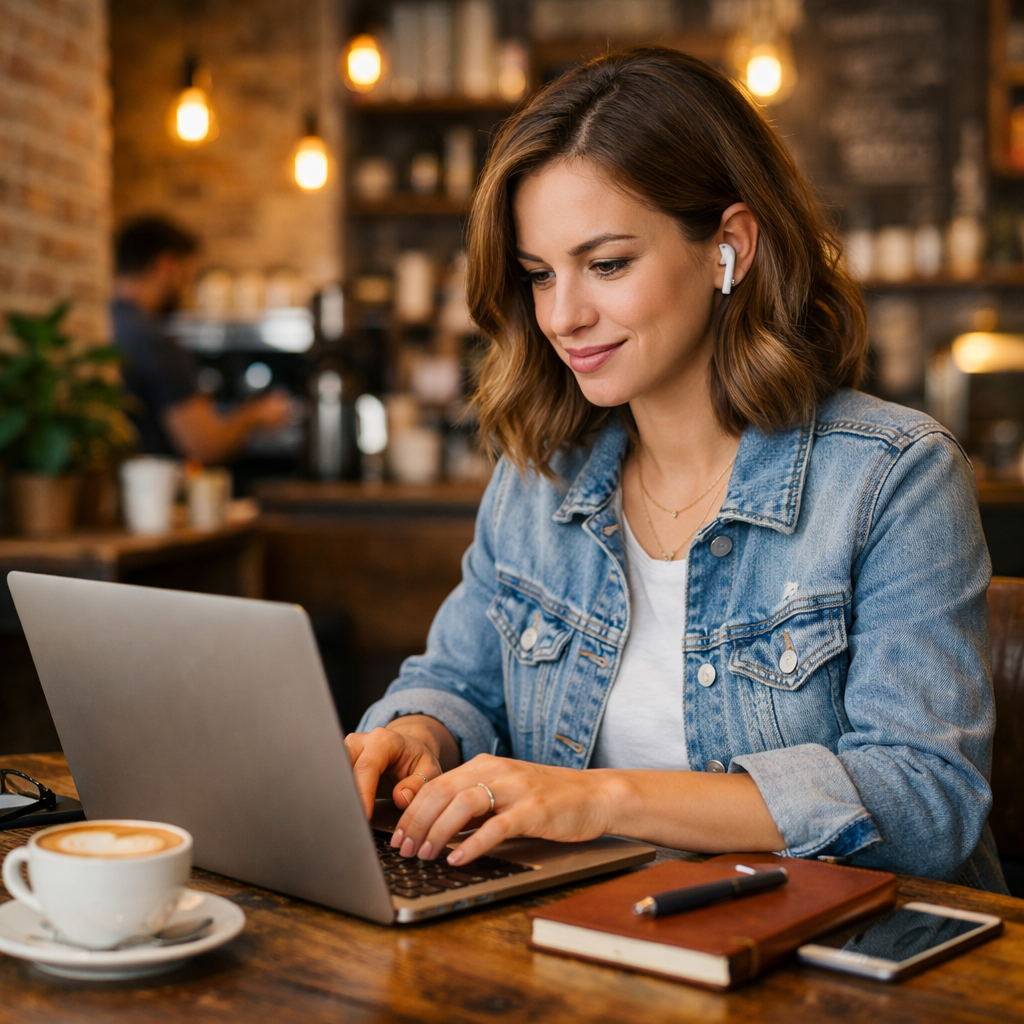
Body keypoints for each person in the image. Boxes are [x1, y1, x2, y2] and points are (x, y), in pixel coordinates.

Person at [346, 48, 1006, 892]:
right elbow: (459, 681)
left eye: (608, 264)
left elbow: (924, 804)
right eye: (539, 276)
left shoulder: (893, 478)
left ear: (728, 246)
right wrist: (419, 732)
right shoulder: (541, 477)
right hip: (605, 942)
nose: (563, 316)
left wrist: (602, 800)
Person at [112, 217, 291, 463]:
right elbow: (205, 446)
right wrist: (254, 415)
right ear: (166, 267)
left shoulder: (106, 325)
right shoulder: (154, 343)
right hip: (158, 495)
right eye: (189, 275)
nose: (188, 288)